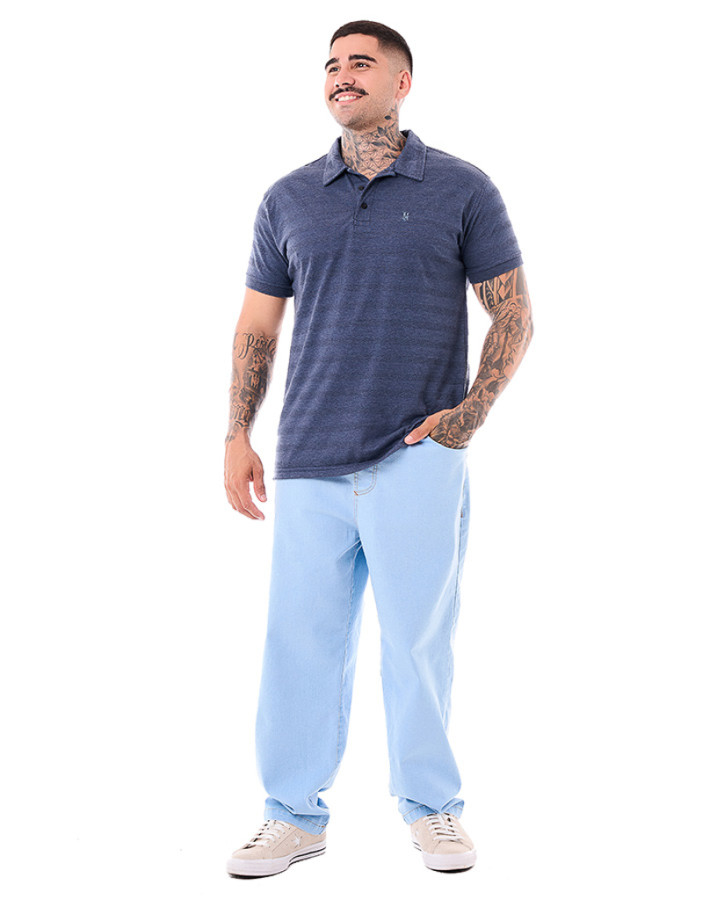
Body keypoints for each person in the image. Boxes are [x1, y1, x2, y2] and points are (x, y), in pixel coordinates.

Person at [224, 19, 534, 878]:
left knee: (418, 644)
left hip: (414, 457)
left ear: (402, 81)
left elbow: (512, 314)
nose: (341, 76)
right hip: (308, 458)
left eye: (360, 63)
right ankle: (291, 816)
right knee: (299, 645)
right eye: (331, 65)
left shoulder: (461, 187)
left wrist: (467, 417)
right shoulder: (288, 198)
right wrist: (236, 434)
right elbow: (257, 327)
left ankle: (432, 810)